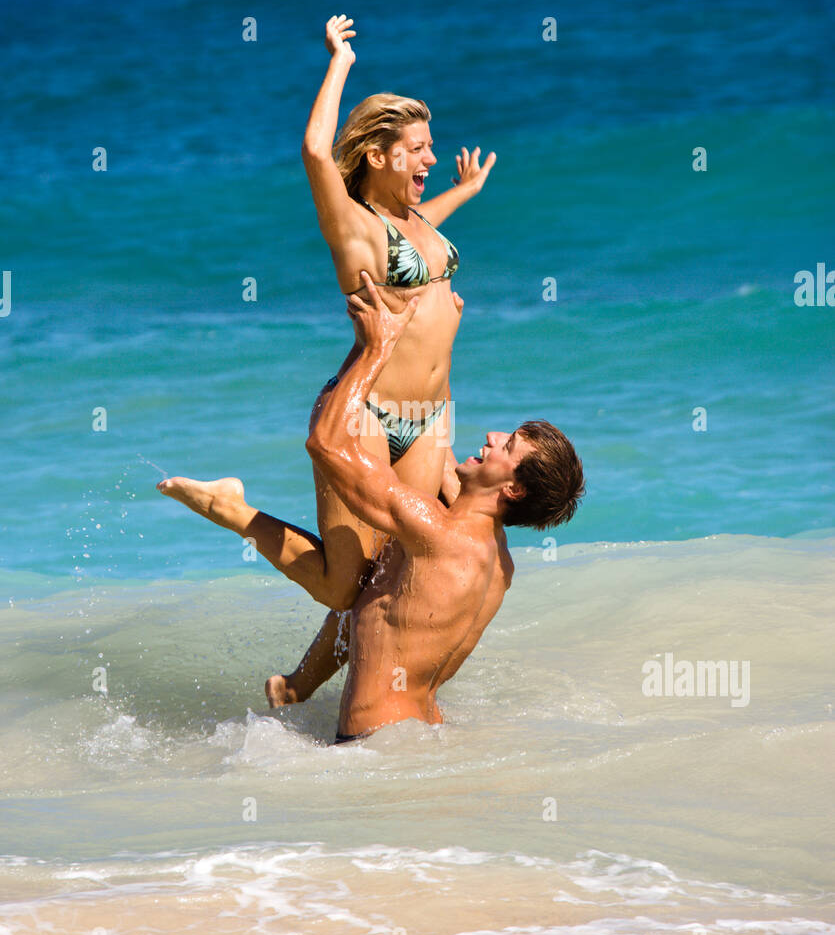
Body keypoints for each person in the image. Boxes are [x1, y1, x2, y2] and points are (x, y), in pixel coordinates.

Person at [164, 13, 496, 706]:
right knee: (345, 584)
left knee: (390, 574)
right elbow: (317, 151)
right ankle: (232, 508)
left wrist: (465, 192)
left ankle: (295, 688)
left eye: (431, 147)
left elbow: (428, 235)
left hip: (428, 415)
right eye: (418, 149)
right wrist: (339, 60)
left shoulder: (412, 222)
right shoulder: (355, 226)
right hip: (365, 412)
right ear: (377, 155)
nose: (430, 158)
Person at [157, 273, 585, 742]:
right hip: (422, 738)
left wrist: (375, 349)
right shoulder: (499, 565)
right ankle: (295, 687)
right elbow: (440, 440)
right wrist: (438, 344)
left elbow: (326, 445)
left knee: (353, 581)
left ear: (514, 490)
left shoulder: (433, 530)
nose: (493, 436)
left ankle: (229, 511)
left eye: (509, 445)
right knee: (374, 579)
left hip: (369, 747)